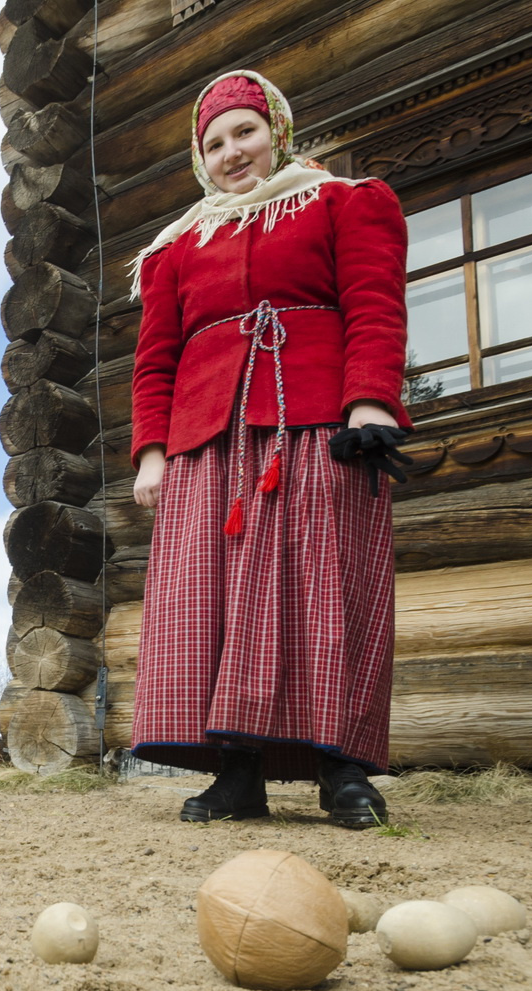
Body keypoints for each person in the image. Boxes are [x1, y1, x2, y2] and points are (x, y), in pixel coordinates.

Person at [127, 71, 412, 829]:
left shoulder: (341, 202)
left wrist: (371, 397)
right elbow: (155, 359)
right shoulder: (178, 248)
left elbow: (374, 300)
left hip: (319, 424)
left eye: (245, 131)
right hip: (207, 442)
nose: (232, 152)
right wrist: (151, 452)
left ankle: (341, 771)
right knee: (212, 601)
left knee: (324, 588)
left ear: (278, 131)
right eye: (215, 143)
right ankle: (237, 773)